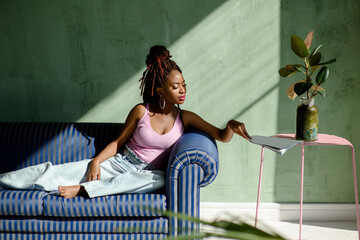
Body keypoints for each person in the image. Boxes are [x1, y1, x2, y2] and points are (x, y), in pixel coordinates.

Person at [0, 45, 251, 199]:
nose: (182, 91)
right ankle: (3, 180)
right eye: (175, 87)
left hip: (148, 175)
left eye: (184, 85)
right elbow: (118, 142)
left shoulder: (185, 117)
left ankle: (85, 191)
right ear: (161, 91)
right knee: (55, 172)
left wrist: (231, 125)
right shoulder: (141, 111)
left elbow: (220, 135)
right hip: (120, 164)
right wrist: (97, 161)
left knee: (160, 179)